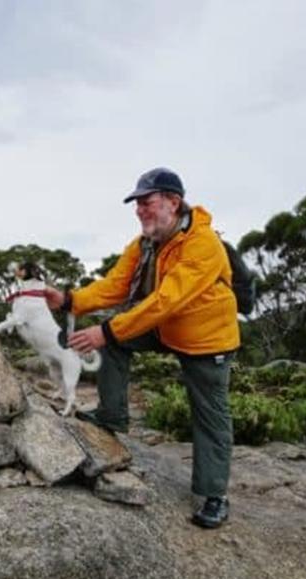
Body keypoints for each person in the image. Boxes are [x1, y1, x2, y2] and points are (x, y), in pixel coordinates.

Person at [45, 167, 239, 529]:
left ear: (173, 202)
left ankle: (214, 494)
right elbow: (116, 285)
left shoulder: (203, 244)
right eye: (137, 204)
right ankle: (112, 414)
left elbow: (168, 300)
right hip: (165, 329)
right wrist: (71, 299)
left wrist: (108, 331)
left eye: (146, 202)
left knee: (209, 415)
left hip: (206, 338)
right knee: (115, 341)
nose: (139, 210)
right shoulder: (145, 243)